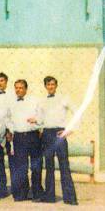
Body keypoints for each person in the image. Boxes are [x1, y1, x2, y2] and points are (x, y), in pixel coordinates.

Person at [40, 76, 78, 205]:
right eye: (48, 85)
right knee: (49, 166)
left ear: (56, 86)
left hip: (59, 134)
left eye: (52, 84)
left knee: (64, 165)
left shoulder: (64, 98)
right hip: (47, 134)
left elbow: (77, 113)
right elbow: (41, 119)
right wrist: (36, 122)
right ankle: (49, 197)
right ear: (45, 86)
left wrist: (68, 130)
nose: (50, 87)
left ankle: (70, 198)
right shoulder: (42, 101)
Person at [6, 79, 43, 202]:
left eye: (21, 88)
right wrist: (11, 130)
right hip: (19, 137)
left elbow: (42, 116)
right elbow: (8, 119)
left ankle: (37, 193)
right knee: (21, 166)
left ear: (26, 89)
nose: (18, 90)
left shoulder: (34, 101)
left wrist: (36, 120)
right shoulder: (11, 103)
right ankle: (23, 193)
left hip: (33, 136)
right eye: (16, 87)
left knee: (35, 166)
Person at [0, 72, 15, 182]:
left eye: (2, 81)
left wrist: (10, 130)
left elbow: (14, 112)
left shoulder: (13, 94)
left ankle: (17, 188)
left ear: (6, 81)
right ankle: (1, 188)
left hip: (11, 130)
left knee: (13, 159)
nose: (0, 83)